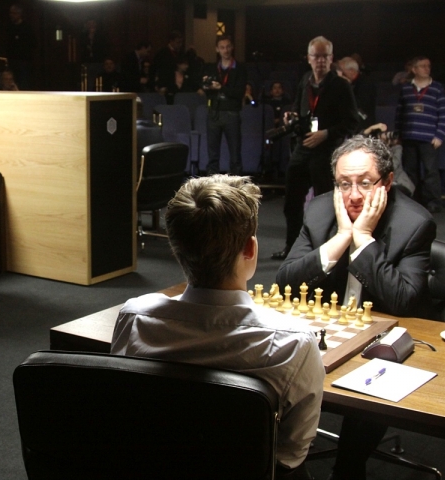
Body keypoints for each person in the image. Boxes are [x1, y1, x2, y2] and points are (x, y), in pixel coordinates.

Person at [111, 174, 324, 480]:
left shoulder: (134, 318)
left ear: (176, 247)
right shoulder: (294, 343)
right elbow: (290, 455)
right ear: (250, 249)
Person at [276, 135, 436, 480]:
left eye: (365, 183)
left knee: (372, 390)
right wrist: (341, 239)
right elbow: (285, 281)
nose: (353, 195)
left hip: (383, 340)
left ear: (387, 182)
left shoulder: (414, 223)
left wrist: (362, 239)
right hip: (329, 333)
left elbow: (403, 301)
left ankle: (348, 469)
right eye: (344, 183)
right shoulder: (320, 210)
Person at [272, 36, 359, 260]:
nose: (320, 61)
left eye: (324, 56)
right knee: (292, 202)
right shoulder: (305, 81)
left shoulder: (341, 85)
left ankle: (325, 251)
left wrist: (326, 134)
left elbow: (352, 122)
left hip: (326, 151)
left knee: (325, 205)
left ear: (331, 58)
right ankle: (292, 248)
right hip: (303, 149)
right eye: (316, 56)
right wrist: (291, 116)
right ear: (309, 58)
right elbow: (300, 109)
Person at [395, 56, 445, 214]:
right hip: (409, 136)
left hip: (429, 137)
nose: (427, 69)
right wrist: (398, 135)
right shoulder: (406, 88)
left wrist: (439, 135)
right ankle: (413, 200)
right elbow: (399, 114)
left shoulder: (437, 88)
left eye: (428, 66)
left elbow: (443, 114)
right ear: (414, 69)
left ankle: (433, 201)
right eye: (423, 66)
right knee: (410, 171)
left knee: (430, 171)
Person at [201, 35, 247, 175]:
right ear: (217, 49)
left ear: (232, 47)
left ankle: (236, 183)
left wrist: (221, 87)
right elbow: (206, 89)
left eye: (227, 47)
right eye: (222, 47)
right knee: (212, 154)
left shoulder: (240, 68)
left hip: (231, 113)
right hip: (214, 112)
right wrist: (206, 86)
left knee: (235, 153)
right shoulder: (212, 68)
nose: (225, 50)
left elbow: (239, 93)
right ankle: (212, 183)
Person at [2, 4, 36, 90]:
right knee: (10, 83)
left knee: (23, 83)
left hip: (24, 61)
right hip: (12, 61)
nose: (11, 15)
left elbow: (33, 43)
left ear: (19, 14)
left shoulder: (27, 28)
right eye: (10, 13)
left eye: (14, 13)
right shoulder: (9, 27)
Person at [338, 56, 377, 131]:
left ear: (352, 71)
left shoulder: (366, 83)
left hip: (363, 125)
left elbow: (359, 105)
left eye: (343, 73)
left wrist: (347, 86)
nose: (341, 76)